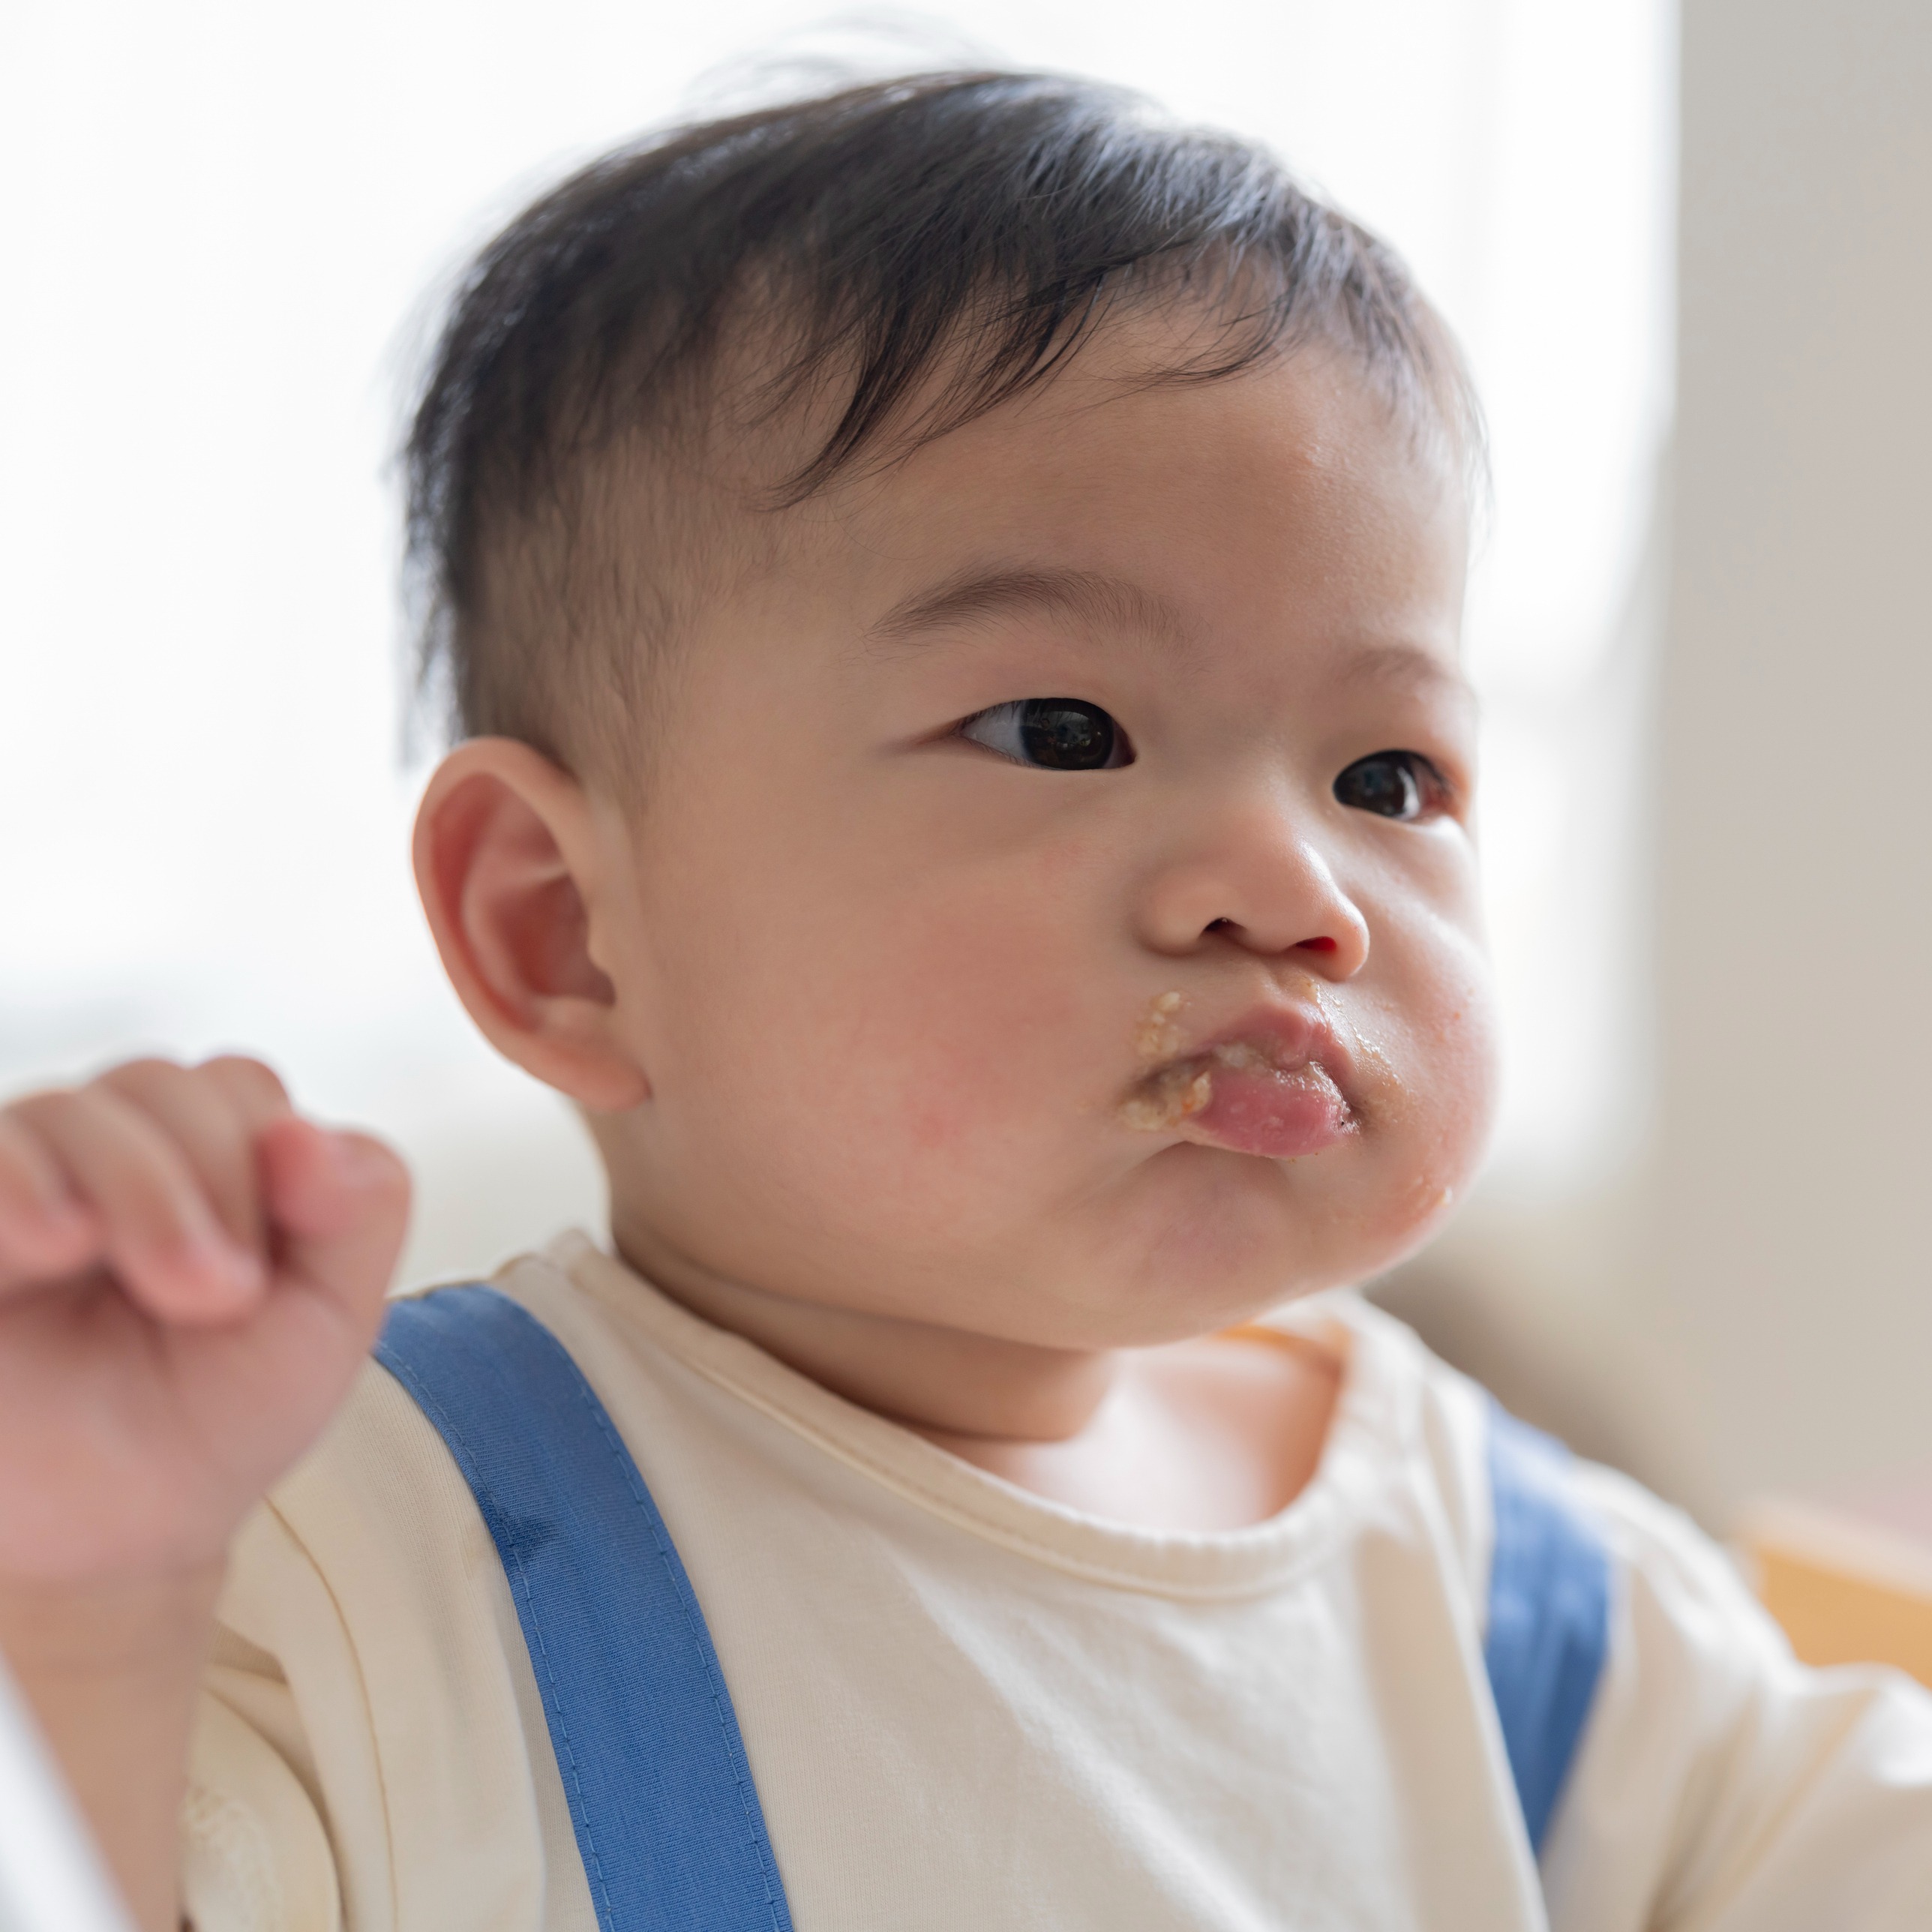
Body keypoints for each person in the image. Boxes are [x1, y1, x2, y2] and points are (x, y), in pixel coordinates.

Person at [0, 71, 1927, 1932]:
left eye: (1389, 776)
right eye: (1063, 731)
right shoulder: (358, 1548)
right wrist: (87, 1603)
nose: (1299, 891)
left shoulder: (1527, 1610)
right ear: (565, 933)